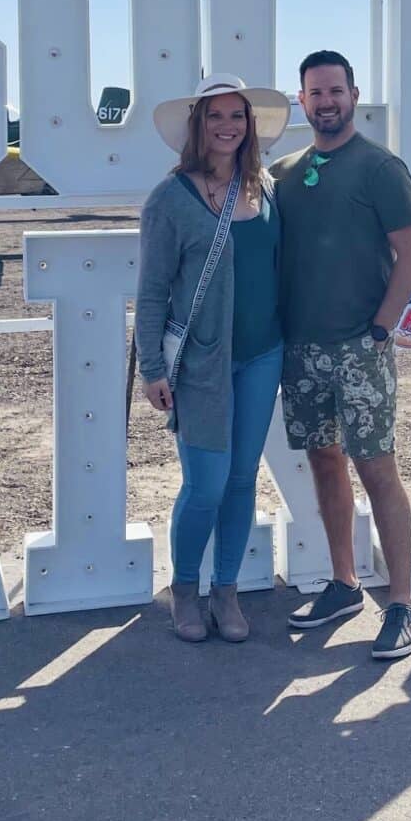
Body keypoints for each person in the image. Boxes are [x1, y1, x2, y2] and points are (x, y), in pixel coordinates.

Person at [271, 51, 411, 661]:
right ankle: (343, 584)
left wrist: (382, 330)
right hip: (301, 349)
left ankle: (403, 603)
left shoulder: (380, 168)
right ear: (302, 100)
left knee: (376, 467)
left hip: (360, 347)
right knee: (324, 461)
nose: (326, 102)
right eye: (315, 93)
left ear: (354, 95)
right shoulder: (285, 173)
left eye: (335, 90)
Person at [136, 74, 291, 643]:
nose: (228, 126)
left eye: (237, 115)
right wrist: (151, 368)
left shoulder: (265, 188)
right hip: (203, 362)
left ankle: (226, 590)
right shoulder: (170, 199)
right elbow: (152, 291)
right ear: (197, 125)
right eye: (215, 115)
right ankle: (185, 589)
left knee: (243, 479)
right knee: (205, 484)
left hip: (263, 355)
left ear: (250, 124)